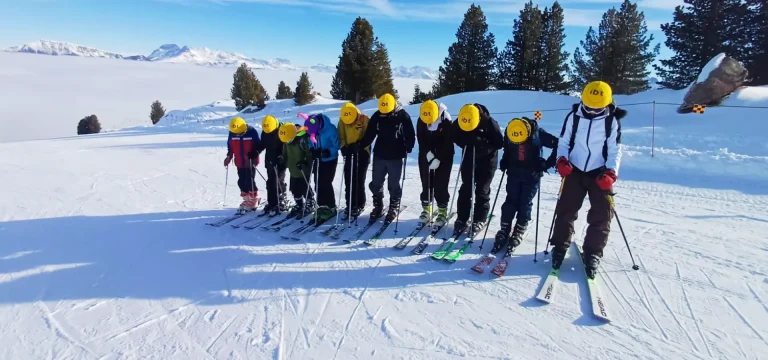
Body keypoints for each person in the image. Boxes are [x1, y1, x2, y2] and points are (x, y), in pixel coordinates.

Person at [549, 81, 627, 279]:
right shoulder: (573, 117)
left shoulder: (612, 121)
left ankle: (593, 252)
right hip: (574, 170)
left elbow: (615, 150)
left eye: (597, 107)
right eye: (589, 106)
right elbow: (564, 142)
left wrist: (611, 173)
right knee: (566, 209)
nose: (592, 110)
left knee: (602, 213)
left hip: (599, 172)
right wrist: (561, 160)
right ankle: (559, 246)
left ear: (607, 103)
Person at [490, 117, 558, 258]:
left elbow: (559, 144)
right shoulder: (511, 130)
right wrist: (505, 160)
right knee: (510, 201)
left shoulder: (538, 133)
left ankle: (520, 228)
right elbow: (507, 148)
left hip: (532, 175)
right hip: (514, 173)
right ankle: (505, 229)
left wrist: (547, 164)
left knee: (525, 203)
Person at [359, 93, 416, 222]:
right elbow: (370, 133)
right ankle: (378, 205)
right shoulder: (377, 115)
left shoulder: (403, 116)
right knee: (376, 183)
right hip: (379, 154)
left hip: (396, 156)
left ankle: (393, 207)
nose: (384, 114)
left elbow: (410, 134)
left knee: (393, 184)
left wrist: (409, 145)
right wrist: (362, 145)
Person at [451, 103, 503, 236]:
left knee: (482, 190)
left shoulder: (490, 123)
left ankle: (480, 219)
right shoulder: (462, 119)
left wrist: (482, 144)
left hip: (488, 160)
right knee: (466, 188)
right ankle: (462, 218)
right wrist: (465, 141)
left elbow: (499, 143)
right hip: (469, 157)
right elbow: (454, 135)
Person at [416, 100, 454, 226]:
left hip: (444, 156)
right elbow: (421, 138)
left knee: (440, 184)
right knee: (426, 182)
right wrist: (427, 153)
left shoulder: (445, 119)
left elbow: (448, 142)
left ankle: (442, 210)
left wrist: (438, 158)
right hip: (426, 155)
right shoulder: (422, 117)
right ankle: (427, 209)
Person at [304, 113, 341, 222]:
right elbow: (310, 141)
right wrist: (312, 150)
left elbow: (337, 145)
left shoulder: (330, 129)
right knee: (317, 182)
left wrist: (328, 152)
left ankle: (331, 207)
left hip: (330, 159)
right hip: (318, 159)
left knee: (326, 182)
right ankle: (322, 206)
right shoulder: (310, 127)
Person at [338, 102, 371, 220]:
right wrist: (343, 147)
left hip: (362, 151)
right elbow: (341, 136)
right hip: (349, 151)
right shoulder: (342, 120)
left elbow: (369, 135)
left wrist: (361, 145)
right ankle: (350, 204)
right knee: (348, 179)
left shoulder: (364, 119)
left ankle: (359, 203)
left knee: (359, 178)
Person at [224, 117, 263, 214]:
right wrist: (229, 156)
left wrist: (254, 153)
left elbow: (258, 145)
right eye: (236, 133)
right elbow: (231, 146)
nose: (238, 134)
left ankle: (253, 200)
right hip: (239, 161)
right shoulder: (232, 132)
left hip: (250, 161)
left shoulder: (251, 131)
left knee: (249, 180)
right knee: (241, 181)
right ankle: (246, 199)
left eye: (240, 133)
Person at [279, 123, 316, 218]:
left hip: (303, 169)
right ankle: (299, 204)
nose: (287, 142)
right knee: (294, 188)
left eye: (289, 140)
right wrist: (282, 158)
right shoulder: (287, 137)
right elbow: (285, 152)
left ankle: (310, 203)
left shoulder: (303, 139)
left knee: (304, 187)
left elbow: (309, 153)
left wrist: (305, 162)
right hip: (293, 168)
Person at [259, 115, 289, 216]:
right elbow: (262, 144)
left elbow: (286, 146)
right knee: (270, 182)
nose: (269, 133)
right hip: (269, 161)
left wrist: (282, 157)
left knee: (278, 182)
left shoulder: (282, 130)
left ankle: (280, 201)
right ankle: (272, 203)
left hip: (280, 162)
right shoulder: (265, 132)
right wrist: (255, 151)